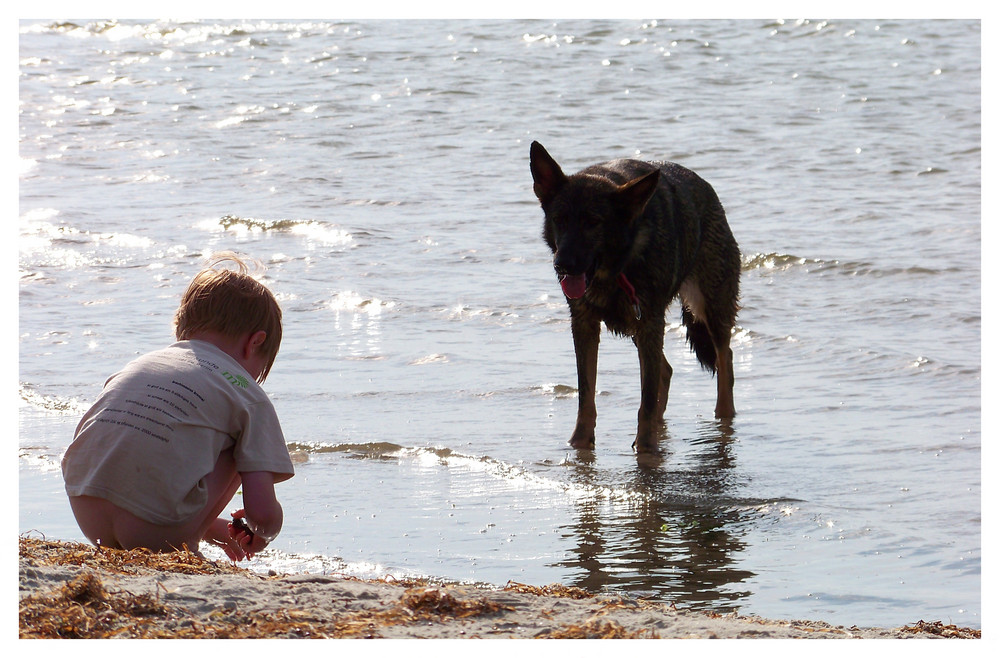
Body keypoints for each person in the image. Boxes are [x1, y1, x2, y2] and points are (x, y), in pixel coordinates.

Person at [62, 252, 294, 561]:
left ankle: (193, 529)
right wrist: (264, 531)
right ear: (255, 343)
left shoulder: (141, 364)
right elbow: (262, 515)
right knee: (245, 441)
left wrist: (215, 527)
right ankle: (188, 541)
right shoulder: (247, 393)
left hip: (87, 510)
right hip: (156, 532)